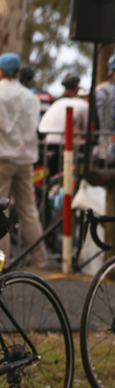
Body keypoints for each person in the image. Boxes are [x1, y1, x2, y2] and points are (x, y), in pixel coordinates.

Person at [0, 53, 46, 267]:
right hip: (25, 159)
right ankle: (39, 258)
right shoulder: (30, 97)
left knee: (1, 209)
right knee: (28, 209)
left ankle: (2, 260)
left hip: (3, 157)